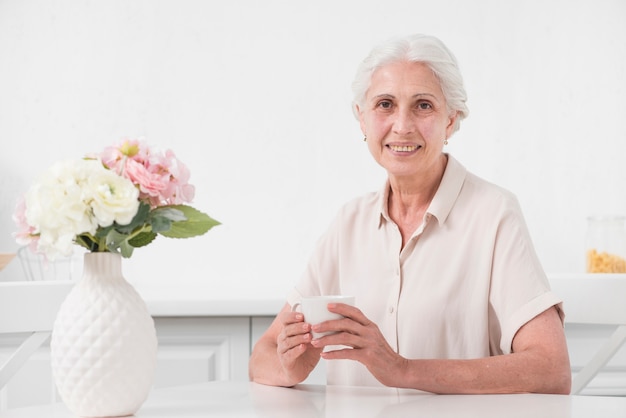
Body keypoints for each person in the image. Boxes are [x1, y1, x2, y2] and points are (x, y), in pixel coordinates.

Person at [248, 34, 571, 394]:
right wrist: (292, 364)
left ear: (451, 120)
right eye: (385, 104)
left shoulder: (494, 214)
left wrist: (403, 370)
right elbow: (262, 355)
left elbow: (551, 368)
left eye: (423, 105)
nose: (402, 125)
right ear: (362, 119)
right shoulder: (348, 223)